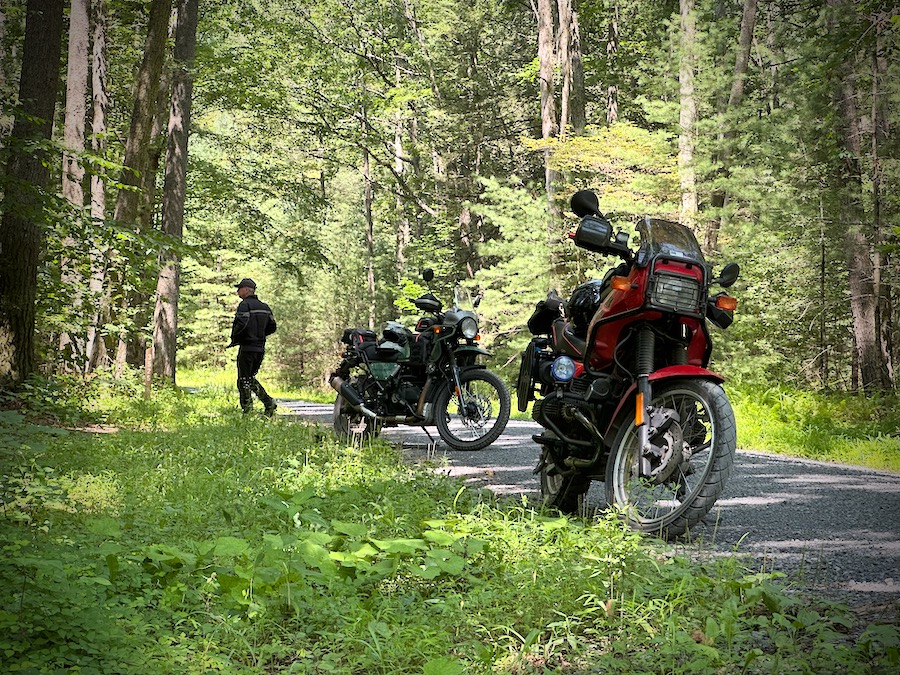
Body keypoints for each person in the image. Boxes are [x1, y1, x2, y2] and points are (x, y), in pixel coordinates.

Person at [228, 278, 278, 416]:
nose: (238, 292)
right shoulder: (265, 307)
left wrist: (235, 338)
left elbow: (241, 323)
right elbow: (272, 327)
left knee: (243, 379)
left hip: (247, 348)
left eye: (239, 289)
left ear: (246, 290)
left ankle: (248, 410)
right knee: (249, 378)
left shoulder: (244, 305)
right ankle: (268, 403)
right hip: (260, 348)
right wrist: (260, 335)